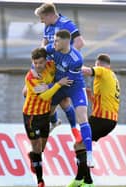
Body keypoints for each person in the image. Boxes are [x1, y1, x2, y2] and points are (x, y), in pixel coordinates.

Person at [67, 54, 120, 187]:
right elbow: (107, 100)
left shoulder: (103, 71)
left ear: (99, 64)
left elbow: (86, 71)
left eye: (96, 66)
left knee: (79, 145)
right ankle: (82, 180)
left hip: (101, 118)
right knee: (81, 145)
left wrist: (71, 66)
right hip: (110, 120)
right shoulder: (112, 77)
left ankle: (86, 181)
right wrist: (92, 97)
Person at [34, 3, 85, 141]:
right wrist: (39, 61)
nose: (41, 21)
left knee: (63, 101)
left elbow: (79, 43)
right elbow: (43, 45)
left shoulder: (66, 24)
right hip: (50, 68)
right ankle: (56, 122)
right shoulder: (48, 25)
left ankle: (73, 129)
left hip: (63, 69)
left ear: (50, 15)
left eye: (42, 17)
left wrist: (65, 58)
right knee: (32, 92)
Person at [23, 47, 73, 187]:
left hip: (45, 114)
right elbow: (45, 96)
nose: (38, 65)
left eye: (40, 62)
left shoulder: (50, 66)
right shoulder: (31, 77)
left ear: (46, 61)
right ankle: (40, 180)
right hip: (31, 116)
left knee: (41, 147)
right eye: (35, 63)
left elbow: (60, 63)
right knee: (37, 146)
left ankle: (34, 156)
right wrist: (58, 84)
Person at [45, 29, 94, 168]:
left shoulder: (76, 58)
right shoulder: (52, 48)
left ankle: (90, 155)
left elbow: (69, 80)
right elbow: (40, 53)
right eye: (54, 40)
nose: (54, 43)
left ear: (66, 42)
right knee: (48, 111)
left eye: (57, 40)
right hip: (60, 84)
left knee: (83, 119)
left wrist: (50, 87)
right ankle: (54, 123)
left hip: (74, 86)